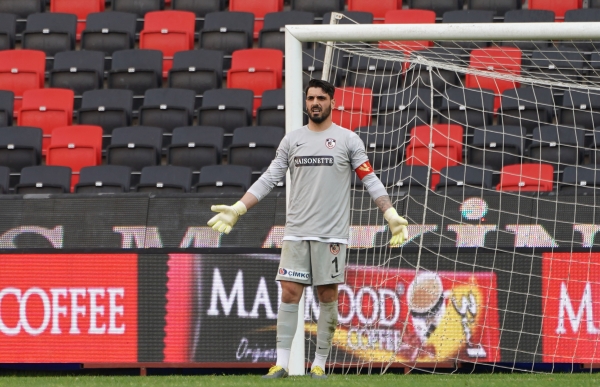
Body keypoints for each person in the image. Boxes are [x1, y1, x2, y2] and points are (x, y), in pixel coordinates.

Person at [207, 79, 408, 379]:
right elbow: (268, 178)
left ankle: (319, 364)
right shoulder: (292, 140)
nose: (315, 103)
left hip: (332, 235)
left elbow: (370, 178)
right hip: (297, 232)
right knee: (289, 293)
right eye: (311, 98)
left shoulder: (348, 140)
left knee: (327, 296)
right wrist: (238, 208)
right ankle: (282, 364)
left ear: (332, 102)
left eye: (321, 98)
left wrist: (390, 213)